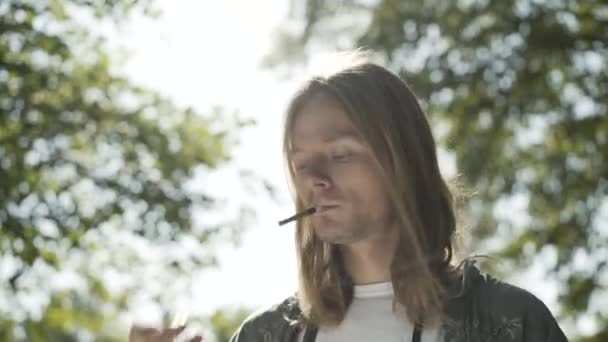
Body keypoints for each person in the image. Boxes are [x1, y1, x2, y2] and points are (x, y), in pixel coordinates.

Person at [130, 58, 569, 342]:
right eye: (301, 162)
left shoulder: (511, 323)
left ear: (404, 161)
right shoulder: (265, 335)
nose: (316, 178)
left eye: (341, 154)